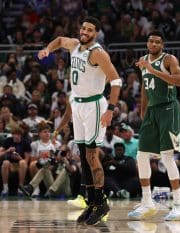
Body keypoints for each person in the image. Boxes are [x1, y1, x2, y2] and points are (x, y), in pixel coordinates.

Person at [37, 16, 121, 225]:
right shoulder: (74, 45)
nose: (84, 32)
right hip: (79, 104)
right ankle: (91, 202)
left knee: (92, 156)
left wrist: (110, 109)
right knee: (83, 156)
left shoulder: (98, 53)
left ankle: (101, 202)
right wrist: (48, 49)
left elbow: (117, 81)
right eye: (83, 28)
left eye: (89, 30)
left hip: (94, 105)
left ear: (96, 33)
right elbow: (58, 40)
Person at [127, 30, 180, 221]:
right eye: (150, 41)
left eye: (157, 42)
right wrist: (143, 110)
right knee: (141, 155)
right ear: (147, 43)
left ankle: (178, 204)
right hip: (152, 111)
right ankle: (147, 202)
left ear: (162, 45)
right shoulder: (143, 60)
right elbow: (145, 86)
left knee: (167, 157)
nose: (153, 44)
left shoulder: (169, 59)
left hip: (169, 108)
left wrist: (152, 70)